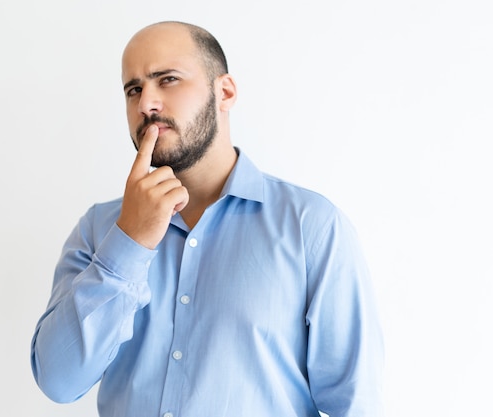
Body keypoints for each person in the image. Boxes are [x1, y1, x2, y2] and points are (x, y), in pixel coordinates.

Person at [31, 20, 384, 417]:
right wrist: (129, 243)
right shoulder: (99, 230)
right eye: (134, 89)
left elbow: (355, 405)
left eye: (167, 80)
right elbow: (59, 381)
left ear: (225, 92)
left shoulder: (312, 227)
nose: (146, 103)